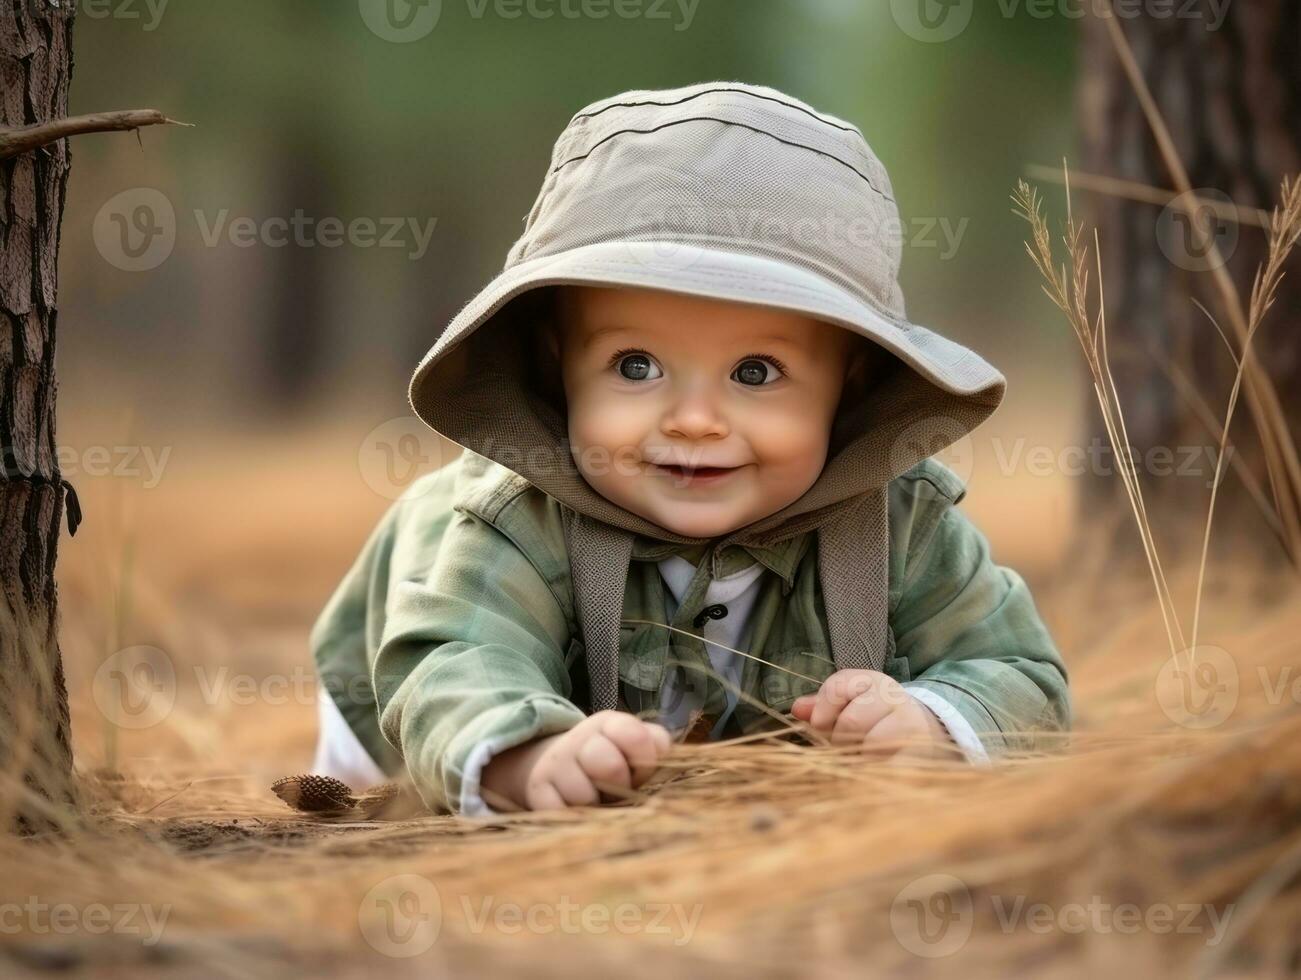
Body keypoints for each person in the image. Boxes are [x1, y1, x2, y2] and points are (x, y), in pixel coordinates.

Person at [308, 81, 1071, 816]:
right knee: (389, 785)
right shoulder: (513, 518)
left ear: (852, 380)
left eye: (755, 372)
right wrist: (527, 756)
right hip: (391, 714)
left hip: (756, 819)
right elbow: (457, 659)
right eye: (635, 366)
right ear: (556, 367)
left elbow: (1019, 673)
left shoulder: (902, 523)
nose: (696, 420)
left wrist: (935, 721)